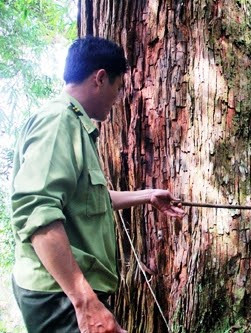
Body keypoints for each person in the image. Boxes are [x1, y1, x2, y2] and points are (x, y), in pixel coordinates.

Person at [10, 36, 184, 333]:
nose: (117, 99)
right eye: (117, 88)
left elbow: (91, 198)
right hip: (59, 293)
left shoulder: (73, 124)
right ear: (100, 78)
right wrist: (84, 301)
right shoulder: (58, 122)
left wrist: (148, 195)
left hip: (65, 290)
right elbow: (37, 211)